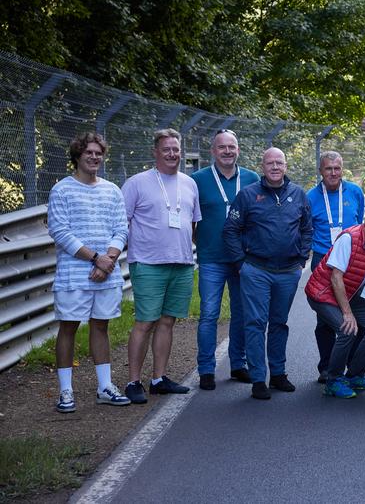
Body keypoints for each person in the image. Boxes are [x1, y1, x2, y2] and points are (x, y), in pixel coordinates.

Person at [48, 132, 131, 412]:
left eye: (98, 153)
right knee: (68, 328)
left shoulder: (112, 190)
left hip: (106, 273)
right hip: (74, 274)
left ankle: (105, 386)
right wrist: (96, 258)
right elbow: (60, 231)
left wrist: (108, 260)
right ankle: (66, 391)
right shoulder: (62, 189)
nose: (94, 157)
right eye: (89, 153)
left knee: (101, 326)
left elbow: (121, 229)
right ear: (77, 156)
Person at [223, 147, 312, 400]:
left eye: (279, 163)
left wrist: (302, 258)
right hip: (256, 270)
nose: (275, 167)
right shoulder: (248, 195)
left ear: (285, 166)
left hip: (288, 272)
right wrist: (241, 263)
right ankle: (258, 378)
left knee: (279, 323)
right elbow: (230, 230)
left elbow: (307, 228)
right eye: (270, 163)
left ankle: (279, 373)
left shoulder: (298, 195)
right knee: (255, 324)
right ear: (262, 166)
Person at [121, 129, 201, 404]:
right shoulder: (137, 183)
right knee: (145, 321)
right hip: (148, 263)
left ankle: (159, 378)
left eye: (176, 149)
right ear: (155, 152)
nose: (172, 154)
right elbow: (123, 222)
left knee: (168, 321)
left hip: (181, 262)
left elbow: (193, 224)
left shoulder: (189, 183)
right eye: (166, 149)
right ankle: (133, 381)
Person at [304, 206, 365, 398]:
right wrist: (348, 314)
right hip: (324, 292)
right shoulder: (349, 238)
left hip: (352, 294)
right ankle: (333, 380)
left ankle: (355, 374)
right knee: (347, 329)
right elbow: (335, 278)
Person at [191, 129, 260, 391]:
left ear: (238, 149)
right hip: (212, 259)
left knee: (242, 314)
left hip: (244, 260)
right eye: (222, 147)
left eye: (232, 146)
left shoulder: (252, 178)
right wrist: (204, 243)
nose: (227, 151)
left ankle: (238, 364)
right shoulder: (197, 180)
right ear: (213, 151)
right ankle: (206, 369)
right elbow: (190, 220)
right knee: (209, 314)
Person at [306, 151, 365, 383]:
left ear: (343, 170)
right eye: (328, 168)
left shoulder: (355, 192)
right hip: (323, 259)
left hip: (352, 259)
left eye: (337, 168)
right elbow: (306, 228)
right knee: (327, 318)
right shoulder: (310, 197)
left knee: (356, 314)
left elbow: (360, 223)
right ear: (320, 171)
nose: (333, 173)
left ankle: (352, 366)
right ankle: (327, 367)